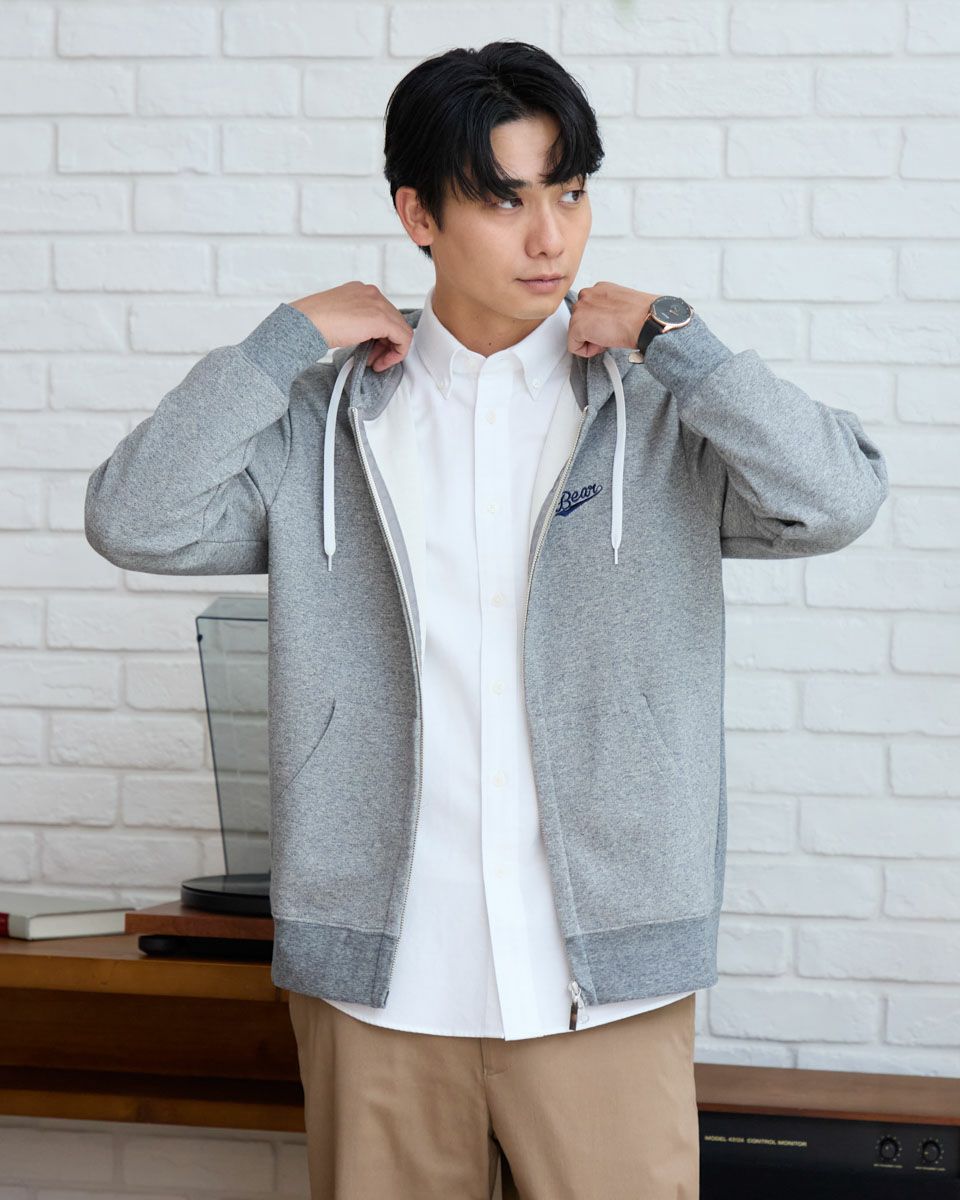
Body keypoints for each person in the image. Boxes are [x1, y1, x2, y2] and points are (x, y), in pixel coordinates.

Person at [85, 39, 889, 1200]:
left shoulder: (659, 412)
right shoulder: (323, 424)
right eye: (506, 200)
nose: (551, 237)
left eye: (570, 192)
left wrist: (680, 339)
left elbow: (838, 497)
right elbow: (134, 518)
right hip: (380, 989)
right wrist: (282, 341)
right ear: (419, 214)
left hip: (601, 983)